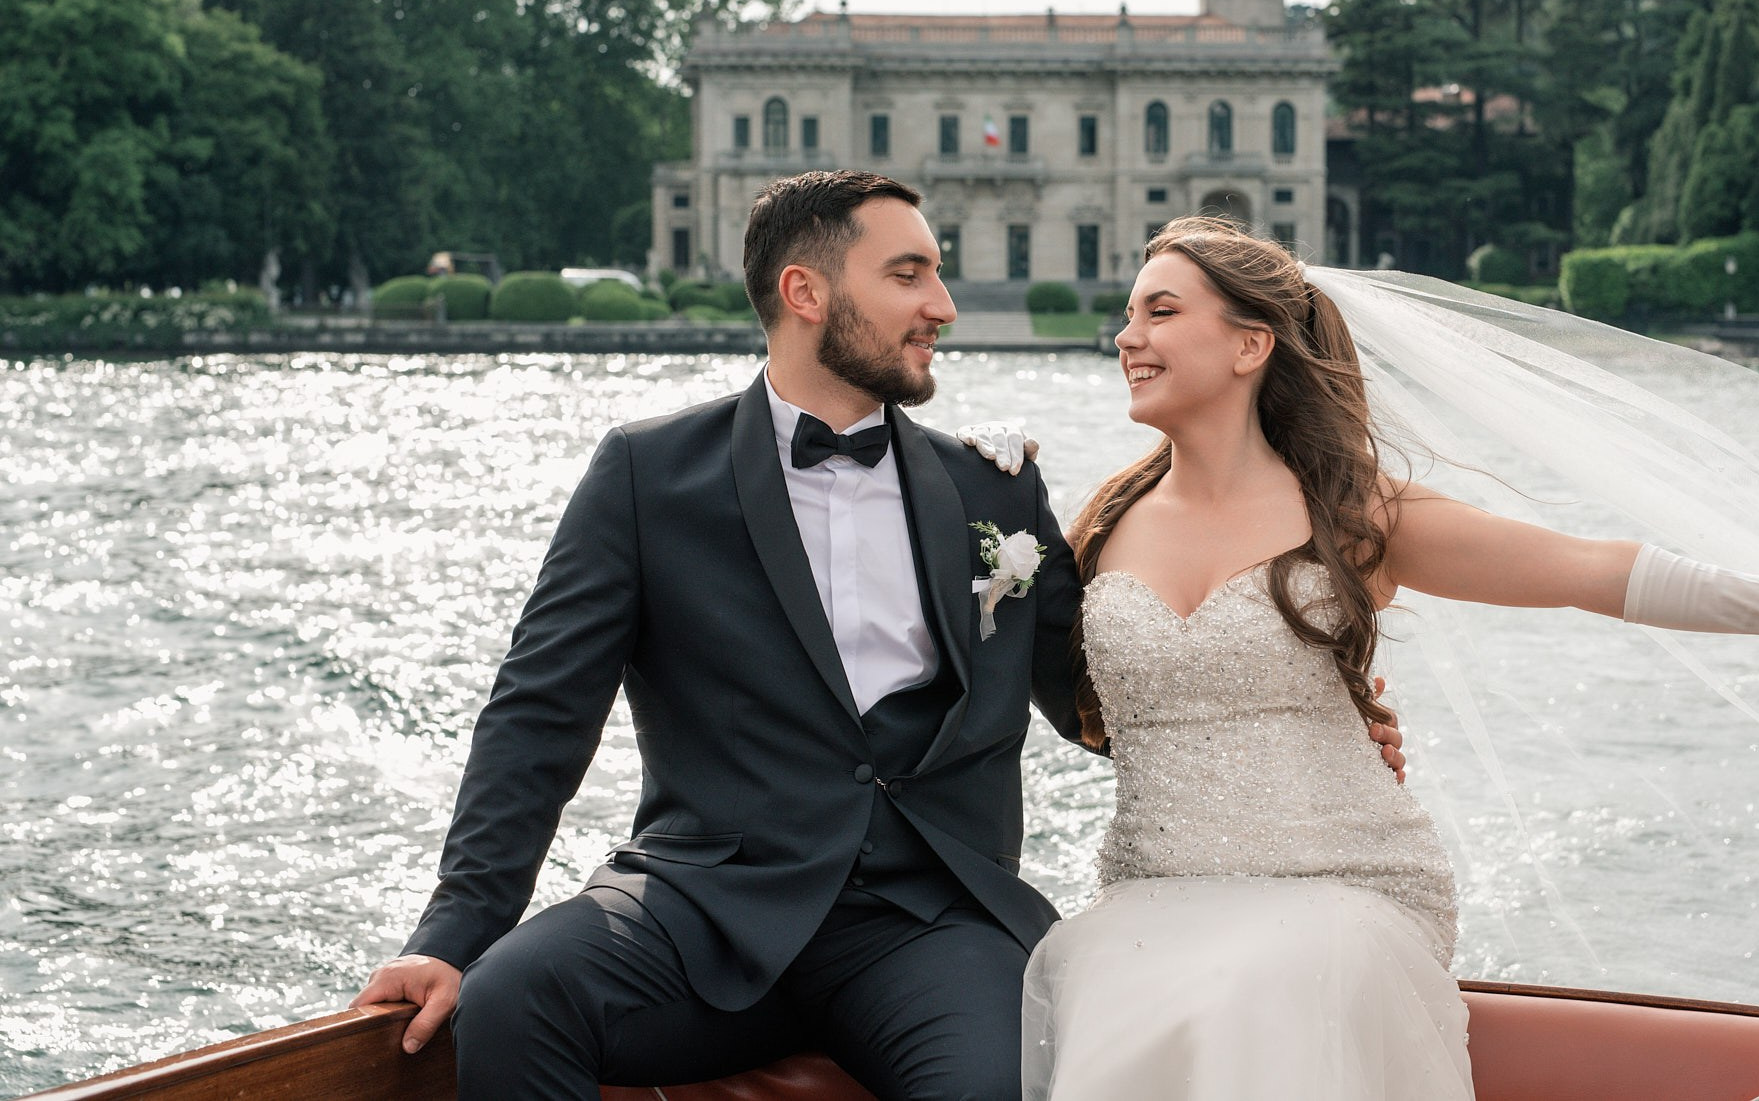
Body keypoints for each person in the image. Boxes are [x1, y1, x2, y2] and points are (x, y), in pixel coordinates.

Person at [351, 172, 1409, 1099]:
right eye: (909, 275)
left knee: (994, 1085)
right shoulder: (645, 474)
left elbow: (1101, 690)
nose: (942, 304)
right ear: (805, 292)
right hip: (704, 907)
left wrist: (1306, 722)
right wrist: (453, 933)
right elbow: (538, 716)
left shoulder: (994, 490)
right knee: (511, 999)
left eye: (938, 274)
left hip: (932, 921)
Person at [1019, 217, 1759, 1101]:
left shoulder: (1357, 514)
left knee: (1277, 977)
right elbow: (1050, 694)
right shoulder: (1100, 527)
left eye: (1159, 311)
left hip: (1337, 882)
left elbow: (1590, 570)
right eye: (1130, 313)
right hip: (1153, 893)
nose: (1126, 336)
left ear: (1250, 344)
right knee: (1097, 973)